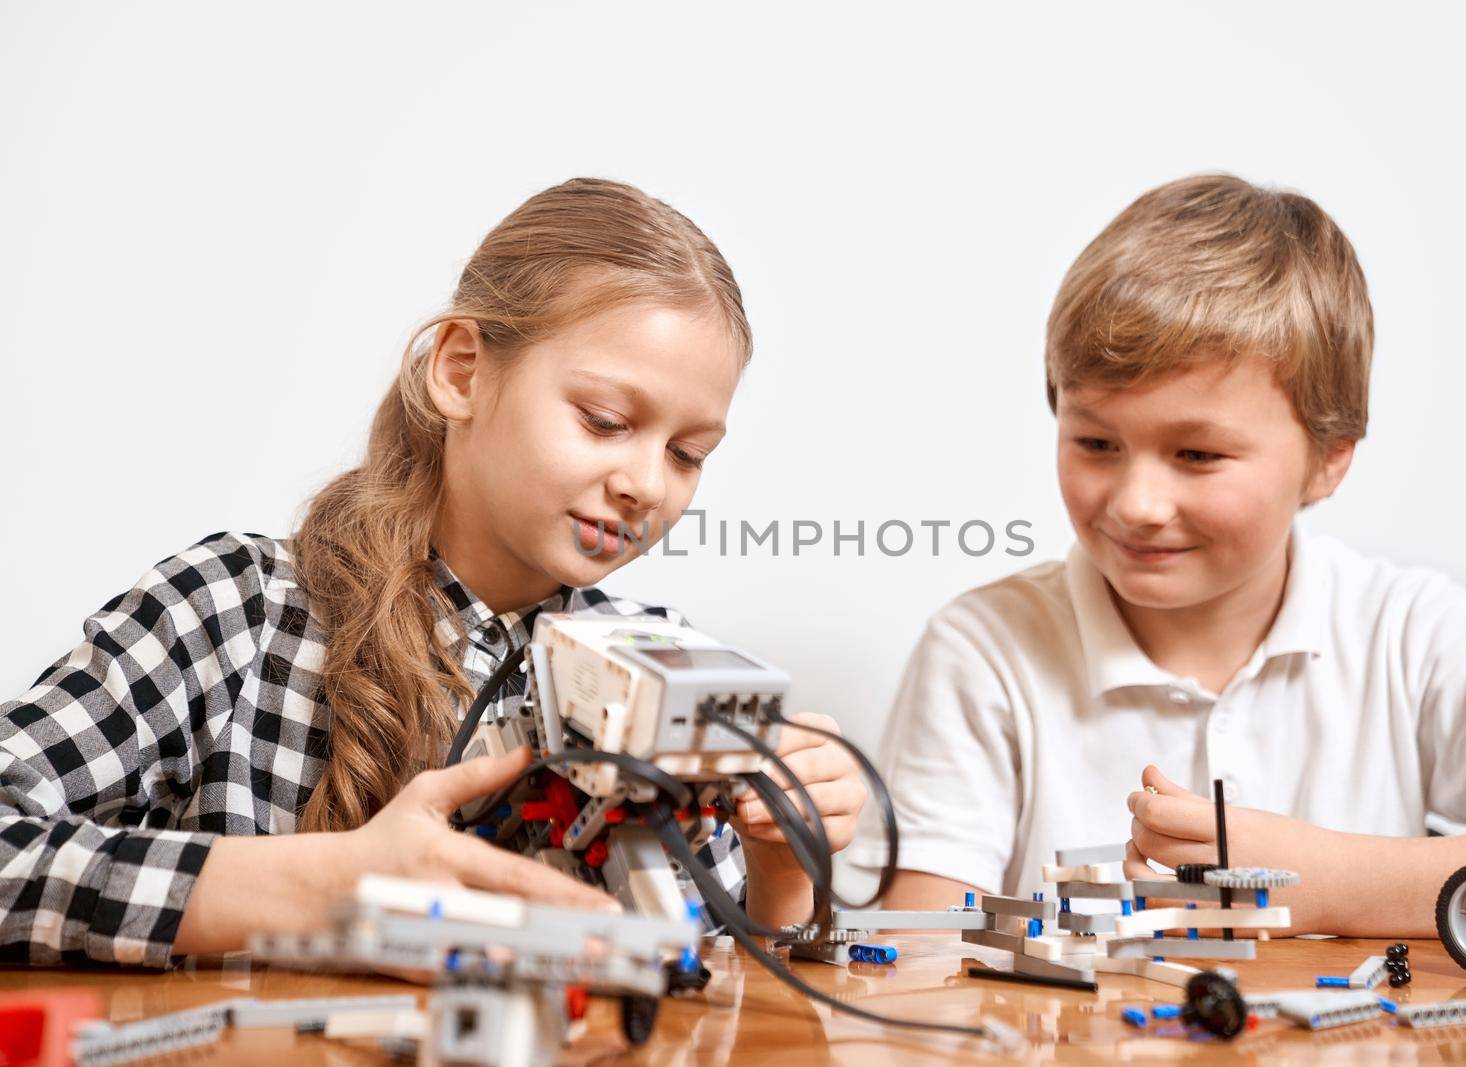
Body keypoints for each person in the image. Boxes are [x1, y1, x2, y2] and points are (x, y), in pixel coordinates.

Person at [0, 177, 865, 966]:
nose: (645, 483)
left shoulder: (662, 669)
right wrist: (321, 885)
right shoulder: (236, 611)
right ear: (463, 370)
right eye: (603, 420)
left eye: (687, 452)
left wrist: (780, 862)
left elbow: (722, 1002)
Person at [870, 173, 1466, 937]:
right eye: (1095, 442)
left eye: (1197, 453)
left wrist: (1331, 881)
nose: (1136, 504)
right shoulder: (984, 648)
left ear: (1328, 459)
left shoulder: (1415, 634)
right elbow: (923, 953)